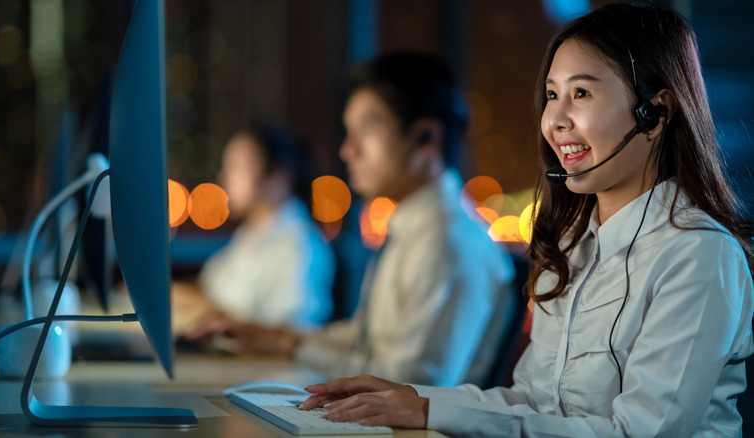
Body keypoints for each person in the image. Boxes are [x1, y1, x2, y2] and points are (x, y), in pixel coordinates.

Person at [297, 4, 754, 436]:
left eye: (581, 93)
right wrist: (411, 398)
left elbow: (638, 432)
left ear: (654, 115)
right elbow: (531, 403)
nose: (555, 120)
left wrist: (430, 410)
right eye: (552, 95)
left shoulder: (698, 254)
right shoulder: (573, 245)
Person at [185, 53, 516, 387]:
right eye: (349, 131)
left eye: (367, 129)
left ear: (427, 138)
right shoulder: (415, 229)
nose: (348, 149)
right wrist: (279, 339)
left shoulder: (447, 240)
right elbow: (366, 339)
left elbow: (411, 385)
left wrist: (291, 346)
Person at [173, 123, 335, 333]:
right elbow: (211, 288)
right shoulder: (251, 234)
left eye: (238, 165)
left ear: (279, 175)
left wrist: (207, 309)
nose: (225, 176)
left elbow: (297, 333)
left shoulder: (301, 245)